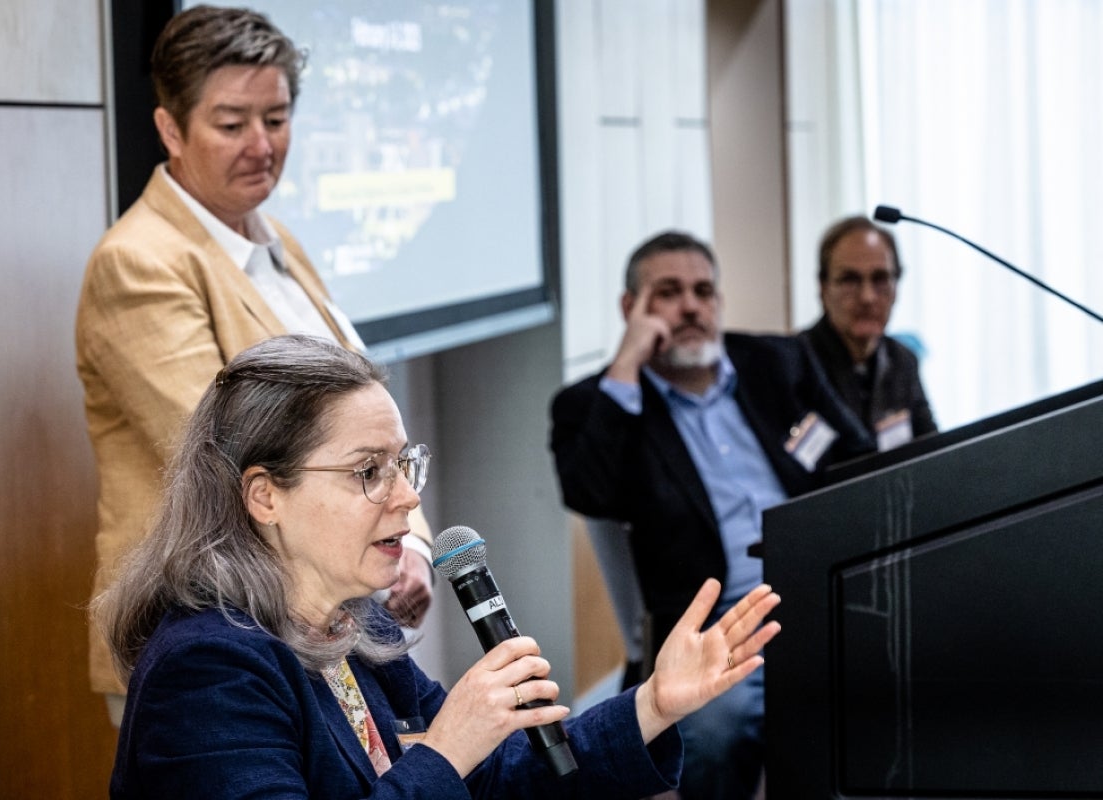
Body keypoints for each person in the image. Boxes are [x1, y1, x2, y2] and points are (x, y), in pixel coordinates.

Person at [93, 333, 782, 799]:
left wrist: (653, 704)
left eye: (402, 465)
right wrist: (447, 749)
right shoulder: (208, 670)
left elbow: (500, 773)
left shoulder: (353, 625)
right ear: (265, 495)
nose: (408, 496)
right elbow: (452, 767)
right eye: (369, 472)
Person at [75, 5, 433, 719]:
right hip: (213, 637)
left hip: (312, 620)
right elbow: (229, 453)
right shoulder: (137, 263)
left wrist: (411, 543)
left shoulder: (280, 243)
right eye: (232, 123)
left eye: (276, 118)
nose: (261, 145)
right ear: (171, 130)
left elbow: (356, 424)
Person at [549, 230, 873, 800]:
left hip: (819, 595)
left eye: (703, 291)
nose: (691, 306)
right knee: (719, 736)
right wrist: (626, 364)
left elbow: (859, 457)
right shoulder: (596, 404)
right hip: (712, 629)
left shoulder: (778, 362)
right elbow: (590, 492)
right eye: (668, 293)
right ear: (632, 308)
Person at [798, 215, 937, 450]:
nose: (867, 297)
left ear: (896, 288)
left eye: (880, 279)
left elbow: (934, 455)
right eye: (850, 280)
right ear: (823, 288)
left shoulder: (903, 360)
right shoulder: (794, 365)